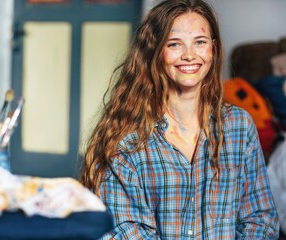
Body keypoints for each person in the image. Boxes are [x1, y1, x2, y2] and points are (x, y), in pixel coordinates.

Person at [79, 0, 279, 238]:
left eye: (200, 42)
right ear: (154, 51)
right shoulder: (126, 139)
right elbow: (126, 232)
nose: (189, 55)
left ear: (213, 49)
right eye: (174, 44)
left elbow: (261, 218)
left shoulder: (239, 126)